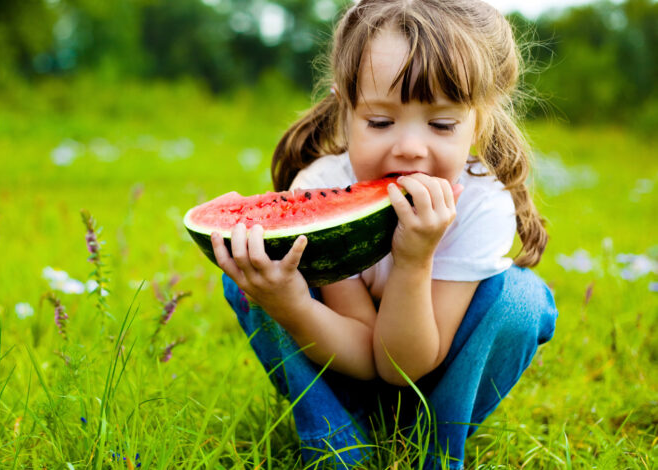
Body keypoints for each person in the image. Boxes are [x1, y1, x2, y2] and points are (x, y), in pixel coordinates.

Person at [210, 0, 558, 468]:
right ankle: (337, 446)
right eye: (379, 122)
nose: (410, 148)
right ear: (344, 108)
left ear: (478, 120)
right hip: (340, 362)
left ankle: (432, 449)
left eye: (441, 124)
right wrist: (288, 303)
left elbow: (401, 370)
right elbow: (366, 354)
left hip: (432, 380)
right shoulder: (319, 187)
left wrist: (415, 260)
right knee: (253, 275)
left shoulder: (480, 204)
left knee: (523, 300)